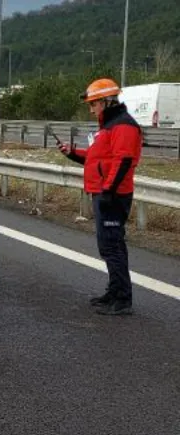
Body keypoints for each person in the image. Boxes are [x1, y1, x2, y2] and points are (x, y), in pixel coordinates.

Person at [57, 78, 142, 315]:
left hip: (112, 196)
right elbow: (97, 159)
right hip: (105, 193)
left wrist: (108, 191)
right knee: (108, 246)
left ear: (106, 101)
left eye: (93, 104)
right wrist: (72, 153)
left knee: (112, 247)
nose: (91, 109)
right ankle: (114, 293)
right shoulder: (109, 125)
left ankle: (122, 299)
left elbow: (123, 161)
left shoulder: (122, 125)